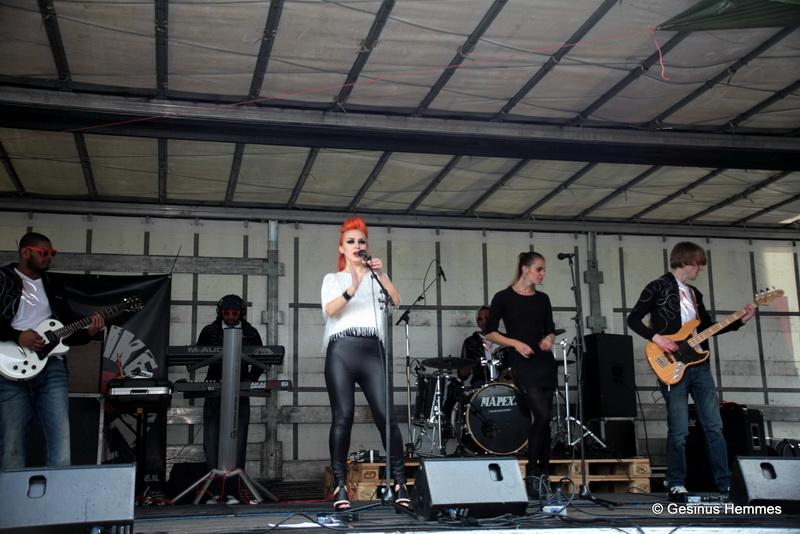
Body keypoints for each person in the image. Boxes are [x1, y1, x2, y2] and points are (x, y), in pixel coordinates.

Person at [627, 241, 755, 501]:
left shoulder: (695, 293)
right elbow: (633, 319)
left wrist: (739, 320)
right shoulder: (657, 286)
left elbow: (706, 328)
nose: (700, 269)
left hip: (700, 367)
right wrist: (658, 339)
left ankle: (726, 484)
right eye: (698, 264)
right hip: (671, 365)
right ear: (685, 261)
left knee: (714, 426)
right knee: (679, 429)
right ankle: (676, 483)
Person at [321, 216, 408, 510]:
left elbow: (396, 299)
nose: (357, 245)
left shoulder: (376, 278)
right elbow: (331, 310)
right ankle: (340, 485)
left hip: (373, 350)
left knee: (387, 416)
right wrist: (353, 285)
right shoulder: (332, 279)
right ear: (342, 248)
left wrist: (380, 275)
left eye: (361, 241)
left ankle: (399, 482)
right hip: (342, 350)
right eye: (351, 241)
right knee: (343, 416)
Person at [0, 232, 105, 469]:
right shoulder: (3, 278)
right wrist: (17, 336)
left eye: (52, 253)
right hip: (9, 366)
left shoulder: (53, 284)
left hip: (52, 366)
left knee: (60, 439)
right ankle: (12, 493)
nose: (49, 257)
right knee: (12, 441)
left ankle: (58, 491)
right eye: (44, 253)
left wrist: (88, 332)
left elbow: (64, 331)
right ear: (25, 252)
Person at [484, 252, 557, 499]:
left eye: (544, 269)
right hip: (522, 361)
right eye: (539, 269)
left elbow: (550, 329)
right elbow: (490, 331)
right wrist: (515, 343)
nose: (543, 274)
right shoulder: (503, 297)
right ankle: (533, 474)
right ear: (525, 269)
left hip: (544, 362)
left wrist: (549, 339)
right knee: (542, 415)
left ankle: (543, 475)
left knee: (546, 420)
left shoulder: (543, 299)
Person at [198, 294, 264, 474]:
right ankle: (212, 480)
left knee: (238, 435)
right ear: (220, 313)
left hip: (239, 390)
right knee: (211, 435)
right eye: (226, 313)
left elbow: (263, 359)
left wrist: (249, 380)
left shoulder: (251, 333)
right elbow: (196, 356)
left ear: (241, 313)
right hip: (214, 389)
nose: (230, 317)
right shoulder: (209, 331)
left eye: (235, 313)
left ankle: (235, 480)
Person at [458, 306, 499, 386]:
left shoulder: (506, 339)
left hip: (505, 382)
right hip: (480, 384)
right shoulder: (470, 342)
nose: (484, 321)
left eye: (487, 318)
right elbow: (462, 376)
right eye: (480, 319)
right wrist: (465, 369)